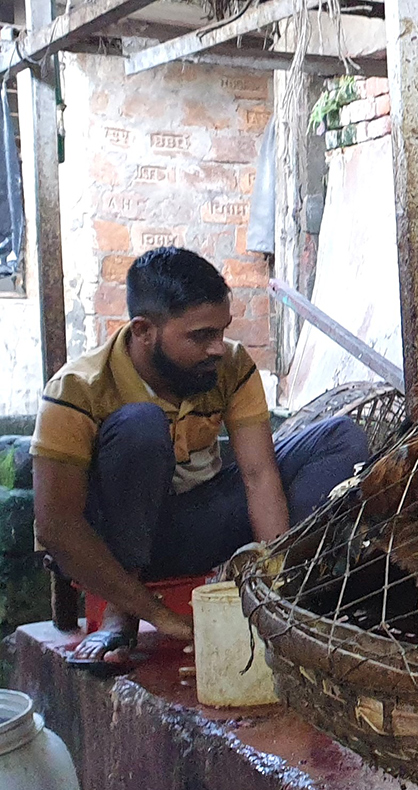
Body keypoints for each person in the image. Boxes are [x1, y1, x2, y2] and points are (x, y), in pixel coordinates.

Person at [32, 247, 370, 670]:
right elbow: (56, 525)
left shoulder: (229, 366)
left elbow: (259, 476)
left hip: (192, 529)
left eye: (221, 332)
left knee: (341, 438)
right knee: (141, 425)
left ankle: (286, 595)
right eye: (200, 336)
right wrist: (158, 615)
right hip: (109, 549)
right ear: (144, 331)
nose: (217, 348)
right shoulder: (77, 387)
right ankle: (122, 614)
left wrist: (275, 590)